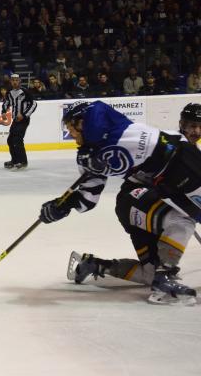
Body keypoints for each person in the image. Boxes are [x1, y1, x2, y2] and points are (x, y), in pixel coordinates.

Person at [39, 101, 201, 305]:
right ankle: (165, 279)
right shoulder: (86, 156)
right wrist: (62, 205)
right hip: (133, 199)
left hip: (172, 175)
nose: (71, 134)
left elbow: (96, 110)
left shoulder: (110, 125)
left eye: (72, 128)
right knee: (183, 220)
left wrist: (95, 148)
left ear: (81, 122)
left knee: (149, 274)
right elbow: (87, 200)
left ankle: (95, 265)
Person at [1, 74, 37, 169]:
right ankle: (15, 160)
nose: (15, 82)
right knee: (10, 140)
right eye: (13, 80)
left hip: (24, 120)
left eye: (16, 80)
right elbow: (6, 103)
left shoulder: (25, 91)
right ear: (10, 81)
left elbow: (33, 104)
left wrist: (24, 115)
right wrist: (4, 112)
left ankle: (23, 161)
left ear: (20, 81)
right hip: (15, 120)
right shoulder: (9, 92)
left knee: (17, 139)